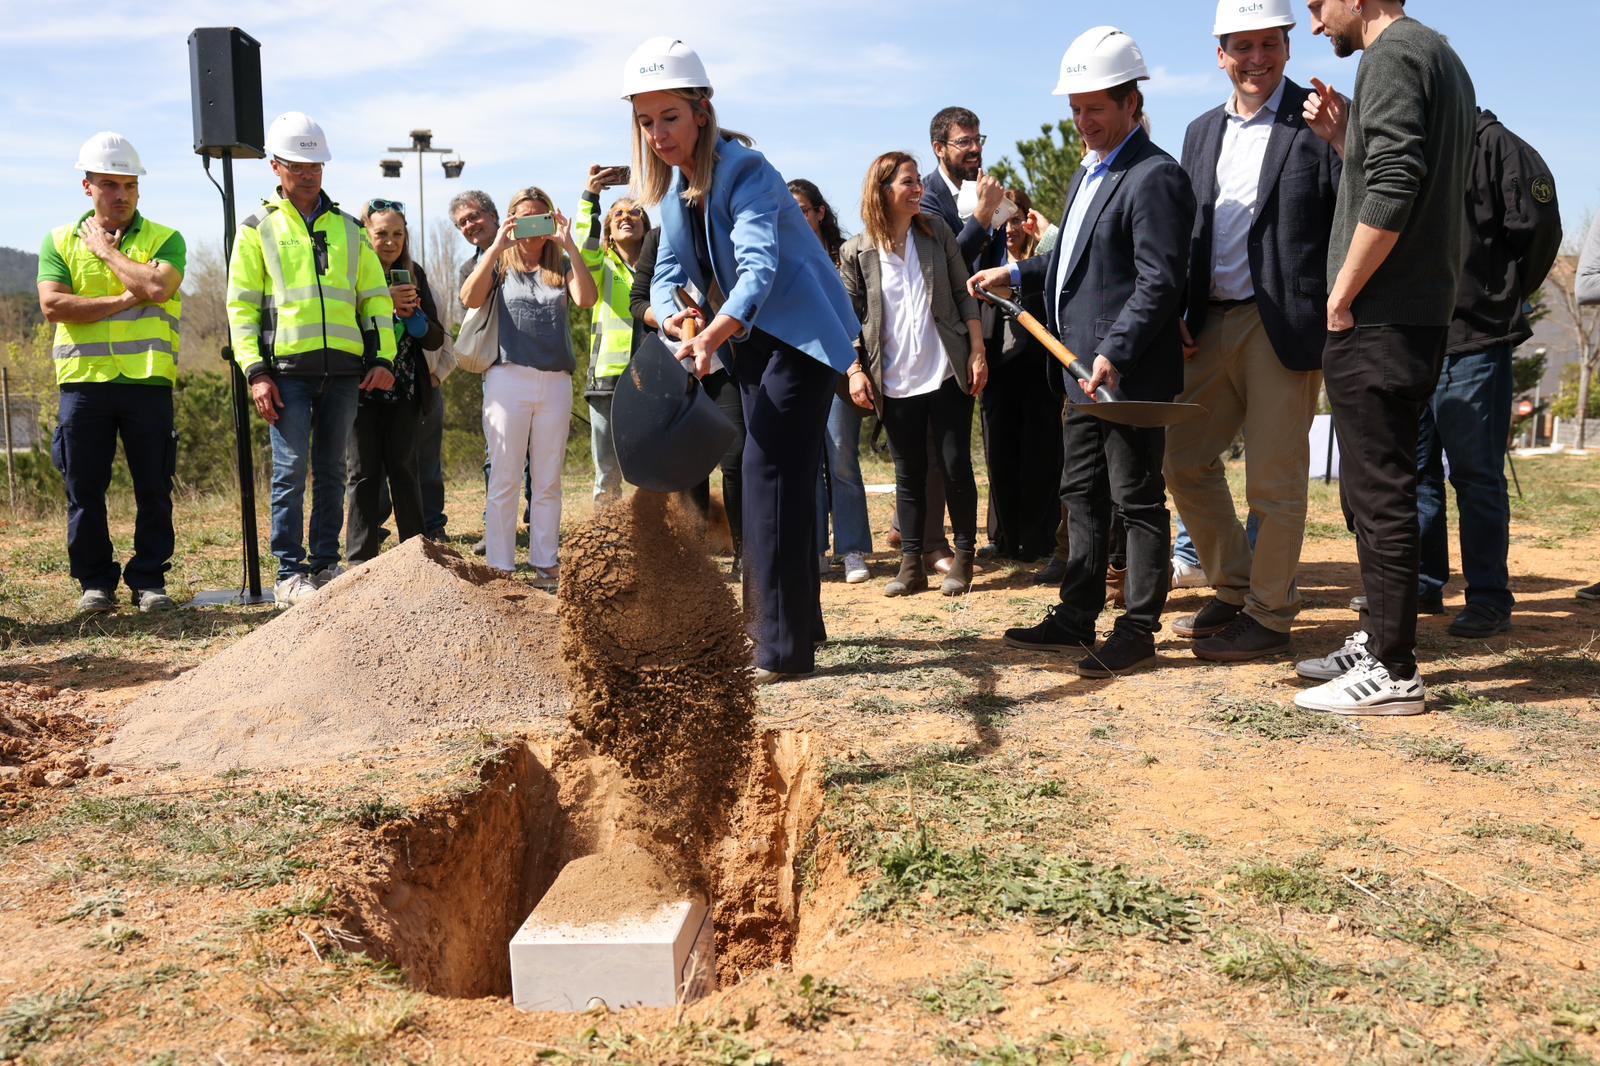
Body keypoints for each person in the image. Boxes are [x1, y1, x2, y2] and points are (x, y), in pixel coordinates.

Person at [625, 37, 861, 683]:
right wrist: (679, 321)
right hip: (752, 342)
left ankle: (778, 649)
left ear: (701, 109)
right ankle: (795, 623)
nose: (657, 133)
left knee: (767, 476)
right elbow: (672, 268)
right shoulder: (673, 192)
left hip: (799, 340)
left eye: (668, 116)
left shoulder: (746, 171)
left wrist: (714, 335)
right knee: (772, 476)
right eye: (645, 121)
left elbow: (760, 269)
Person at [972, 26, 1196, 678]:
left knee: (1137, 498)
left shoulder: (1154, 176)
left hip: (1124, 374)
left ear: (1132, 104)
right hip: (1078, 370)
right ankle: (1076, 613)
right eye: (1075, 108)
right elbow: (1071, 267)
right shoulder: (1089, 175)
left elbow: (1159, 282)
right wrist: (1012, 277)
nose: (1083, 121)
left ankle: (1138, 627)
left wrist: (1117, 352)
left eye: (1095, 107)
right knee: (1081, 493)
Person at [1291, 0, 1475, 715]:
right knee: (1376, 486)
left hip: (1382, 313)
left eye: (1316, 5)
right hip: (1411, 309)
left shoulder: (1392, 55)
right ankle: (1377, 638)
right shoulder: (1440, 55)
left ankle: (1394, 669)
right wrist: (1347, 144)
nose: (1314, 23)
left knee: (1380, 490)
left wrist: (1341, 294)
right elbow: (1404, 175)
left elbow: (1398, 185)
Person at [1163, 0, 1342, 663]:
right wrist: (1178, 309)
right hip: (1209, 321)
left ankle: (1269, 616)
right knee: (1182, 460)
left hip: (1284, 326)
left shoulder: (1317, 120)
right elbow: (1189, 231)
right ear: (1220, 54)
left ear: (1289, 48)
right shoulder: (1199, 132)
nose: (1256, 58)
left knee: (1275, 481)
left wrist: (1343, 141)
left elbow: (1351, 209)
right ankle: (1234, 587)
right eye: (1242, 46)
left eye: (1269, 43)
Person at [227, 112, 396, 606]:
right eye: (298, 166)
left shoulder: (349, 228)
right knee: (290, 468)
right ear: (276, 167)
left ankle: (324, 565)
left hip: (344, 372)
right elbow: (240, 307)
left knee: (332, 471)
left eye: (316, 166)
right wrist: (255, 372)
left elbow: (375, 299)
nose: (308, 175)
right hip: (286, 374)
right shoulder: (257, 229)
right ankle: (288, 573)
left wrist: (382, 356)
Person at [1417, 109, 1561, 636]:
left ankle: (1489, 598)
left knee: (1475, 475)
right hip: (1410, 338)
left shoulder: (1497, 145)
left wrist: (1505, 296)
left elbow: (1540, 229)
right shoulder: (1407, 141)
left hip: (1475, 338)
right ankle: (1423, 585)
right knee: (1416, 473)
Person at [37, 133, 184, 615]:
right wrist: (125, 297)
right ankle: (95, 583)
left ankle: (149, 581)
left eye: (129, 184)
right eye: (109, 184)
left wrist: (106, 255)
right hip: (83, 384)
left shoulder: (166, 238)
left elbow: (159, 287)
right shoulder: (58, 240)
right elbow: (54, 305)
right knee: (84, 490)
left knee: (153, 487)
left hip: (147, 381)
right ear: (87, 187)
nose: (121, 194)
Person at [839, 152, 988, 598]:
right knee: (909, 474)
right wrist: (854, 371)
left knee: (957, 466)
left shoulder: (937, 232)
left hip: (945, 371)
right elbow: (846, 321)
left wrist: (977, 351)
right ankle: (912, 566)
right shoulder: (857, 251)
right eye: (908, 182)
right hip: (894, 379)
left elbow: (966, 296)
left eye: (917, 182)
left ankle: (963, 558)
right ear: (883, 191)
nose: (917, 189)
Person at [460, 186, 595, 582]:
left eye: (542, 217)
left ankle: (545, 560)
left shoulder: (563, 263)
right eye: (525, 218)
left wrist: (569, 243)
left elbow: (586, 299)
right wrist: (498, 244)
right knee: (506, 474)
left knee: (549, 476)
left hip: (554, 380)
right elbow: (469, 297)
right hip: (507, 377)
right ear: (512, 220)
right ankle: (500, 563)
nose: (534, 227)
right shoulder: (500, 261)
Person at [629, 215, 748, 567]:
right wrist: (669, 323)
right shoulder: (656, 238)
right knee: (686, 462)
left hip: (722, 361)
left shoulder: (727, 230)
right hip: (672, 362)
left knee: (736, 455)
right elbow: (637, 301)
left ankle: (745, 551)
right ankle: (694, 556)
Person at [345, 200, 445, 565]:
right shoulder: (352, 273)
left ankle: (416, 556)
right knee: (363, 473)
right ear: (366, 234)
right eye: (381, 233)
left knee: (405, 470)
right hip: (362, 389)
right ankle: (360, 561)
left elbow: (435, 338)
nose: (390, 241)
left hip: (404, 390)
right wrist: (382, 305)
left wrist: (415, 319)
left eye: (397, 234)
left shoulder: (413, 273)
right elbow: (345, 329)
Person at [791, 178, 873, 585]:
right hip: (799, 373)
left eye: (803, 210)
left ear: (820, 212)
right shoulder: (783, 255)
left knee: (841, 459)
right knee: (805, 462)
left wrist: (856, 369)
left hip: (842, 374)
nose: (797, 218)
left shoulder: (845, 257)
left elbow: (854, 317)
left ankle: (853, 549)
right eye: (789, 212)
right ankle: (815, 549)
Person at [981, 187, 1064, 564]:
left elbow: (1067, 254)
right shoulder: (987, 260)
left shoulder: (1043, 261)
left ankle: (1039, 539)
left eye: (1017, 219)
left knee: (1041, 455)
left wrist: (1045, 235)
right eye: (1003, 219)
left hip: (1040, 371)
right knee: (1000, 454)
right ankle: (1005, 537)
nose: (1010, 228)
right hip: (998, 371)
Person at [451, 189, 526, 553]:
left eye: (474, 217)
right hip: (497, 367)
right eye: (462, 223)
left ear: (496, 216)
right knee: (495, 452)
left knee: (535, 453)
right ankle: (494, 526)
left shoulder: (528, 248)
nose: (469, 226)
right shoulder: (469, 268)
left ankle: (533, 521)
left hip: (535, 360)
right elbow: (470, 302)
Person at [576, 167, 650, 501]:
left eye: (636, 212)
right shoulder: (599, 266)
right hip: (607, 378)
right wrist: (590, 196)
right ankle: (608, 539)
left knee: (652, 464)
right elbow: (582, 246)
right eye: (618, 213)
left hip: (654, 378)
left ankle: (652, 536)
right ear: (607, 228)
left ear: (647, 227)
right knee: (607, 468)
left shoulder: (661, 265)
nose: (627, 216)